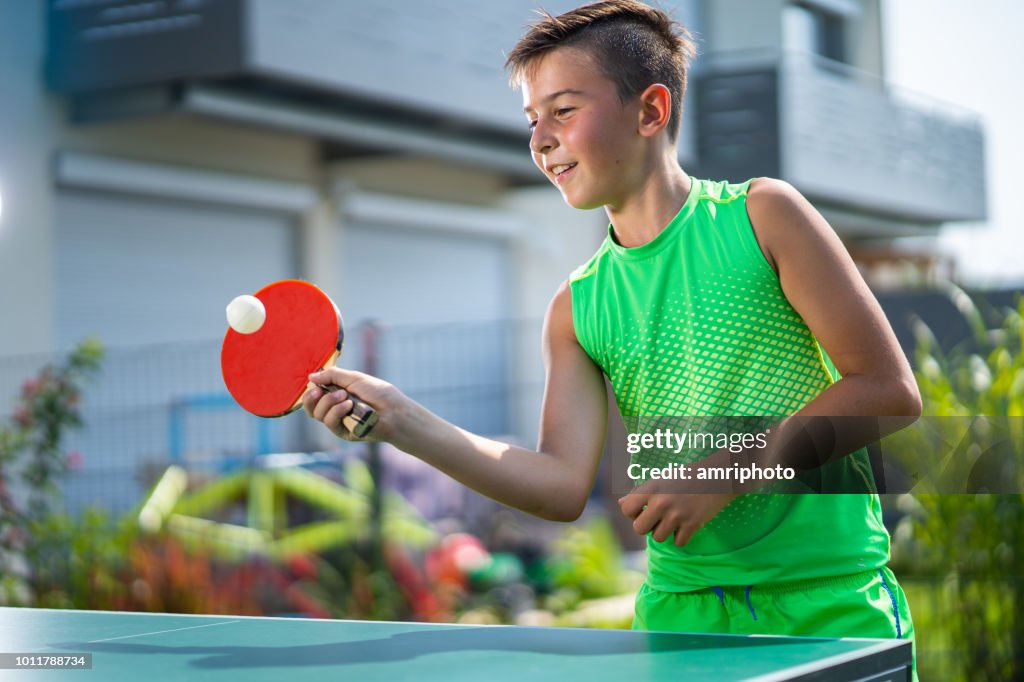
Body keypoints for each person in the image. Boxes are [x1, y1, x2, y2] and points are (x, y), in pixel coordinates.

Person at [303, 0, 919, 676]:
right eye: (533, 119)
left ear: (650, 111)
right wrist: (400, 419)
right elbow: (561, 485)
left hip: (829, 606)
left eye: (563, 110)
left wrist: (722, 475)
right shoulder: (576, 308)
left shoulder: (764, 216)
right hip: (680, 619)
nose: (541, 139)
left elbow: (886, 391)